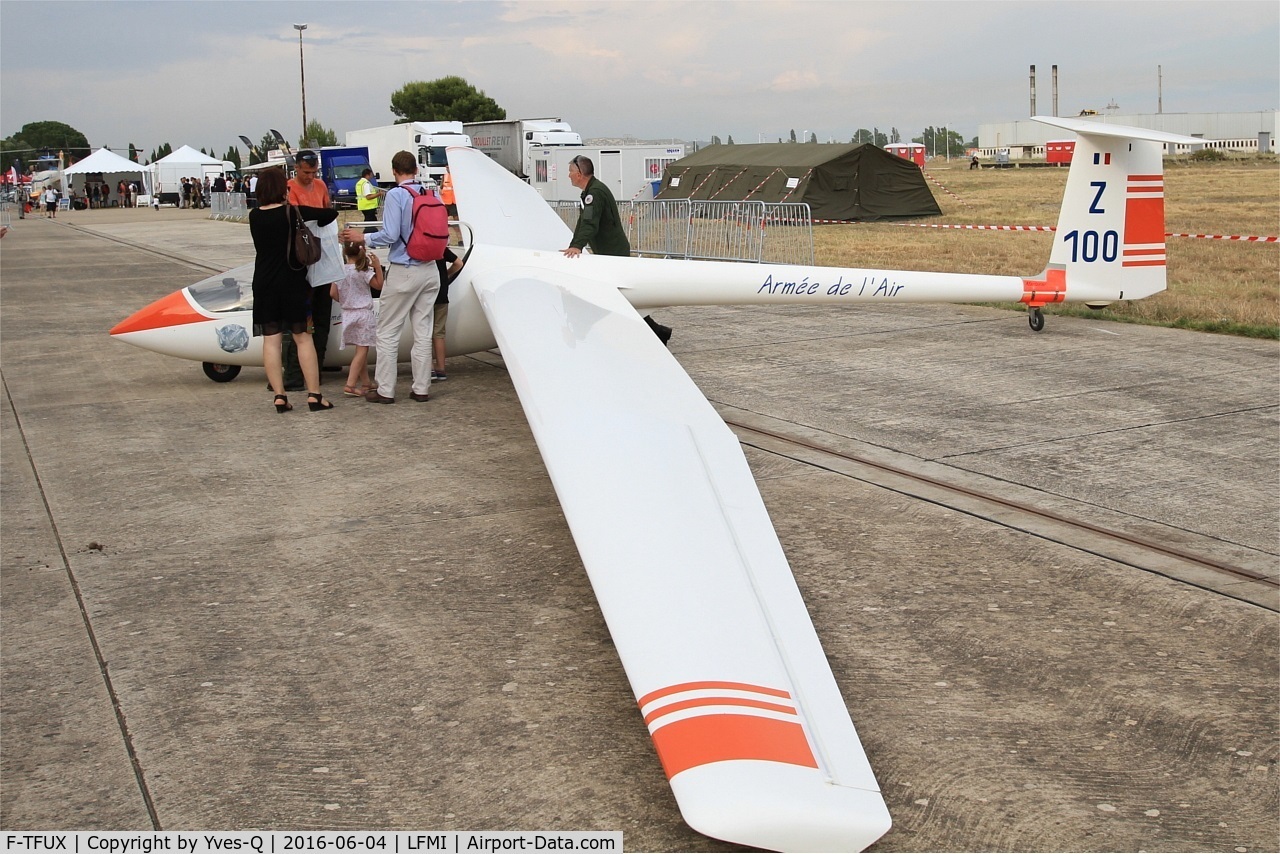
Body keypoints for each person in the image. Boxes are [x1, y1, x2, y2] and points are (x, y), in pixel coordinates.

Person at [340, 149, 441, 404]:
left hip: (405, 270)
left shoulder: (396, 195)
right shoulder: (431, 193)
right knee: (423, 331)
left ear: (394, 171)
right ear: (416, 170)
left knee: (387, 332)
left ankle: (385, 390)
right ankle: (421, 388)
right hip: (431, 269)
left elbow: (391, 234)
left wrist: (363, 237)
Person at [247, 166, 338, 413]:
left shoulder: (254, 216)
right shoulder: (291, 212)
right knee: (303, 338)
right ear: (281, 189)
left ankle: (279, 395)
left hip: (264, 284)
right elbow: (330, 214)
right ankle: (314, 395)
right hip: (292, 283)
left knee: (272, 341)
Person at [561, 154, 671, 344]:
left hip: (612, 253)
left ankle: (657, 332)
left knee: (614, 298)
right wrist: (574, 245)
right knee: (619, 299)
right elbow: (583, 222)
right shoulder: (592, 190)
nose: (568, 175)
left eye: (571, 171)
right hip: (610, 251)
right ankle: (659, 332)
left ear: (580, 173)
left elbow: (589, 223)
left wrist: (577, 246)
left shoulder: (594, 193)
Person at [283, 149, 338, 388]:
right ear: (296, 168)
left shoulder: (321, 187)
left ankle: (317, 370)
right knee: (300, 323)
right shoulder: (289, 188)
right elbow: (295, 217)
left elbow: (326, 215)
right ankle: (294, 375)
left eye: (314, 172)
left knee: (322, 317)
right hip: (300, 260)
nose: (310, 177)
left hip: (322, 258)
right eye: (306, 172)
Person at [331, 240, 384, 397]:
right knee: (362, 349)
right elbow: (379, 285)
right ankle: (350, 384)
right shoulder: (363, 271)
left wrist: (345, 301)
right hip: (363, 314)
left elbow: (332, 293)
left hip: (348, 313)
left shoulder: (339, 272)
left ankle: (366, 381)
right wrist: (378, 267)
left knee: (359, 349)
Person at [432, 247, 464, 381]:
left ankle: (428, 369)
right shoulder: (441, 248)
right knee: (439, 333)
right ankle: (441, 369)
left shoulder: (419, 248)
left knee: (423, 333)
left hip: (425, 296)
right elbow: (459, 263)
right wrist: (446, 274)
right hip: (442, 295)